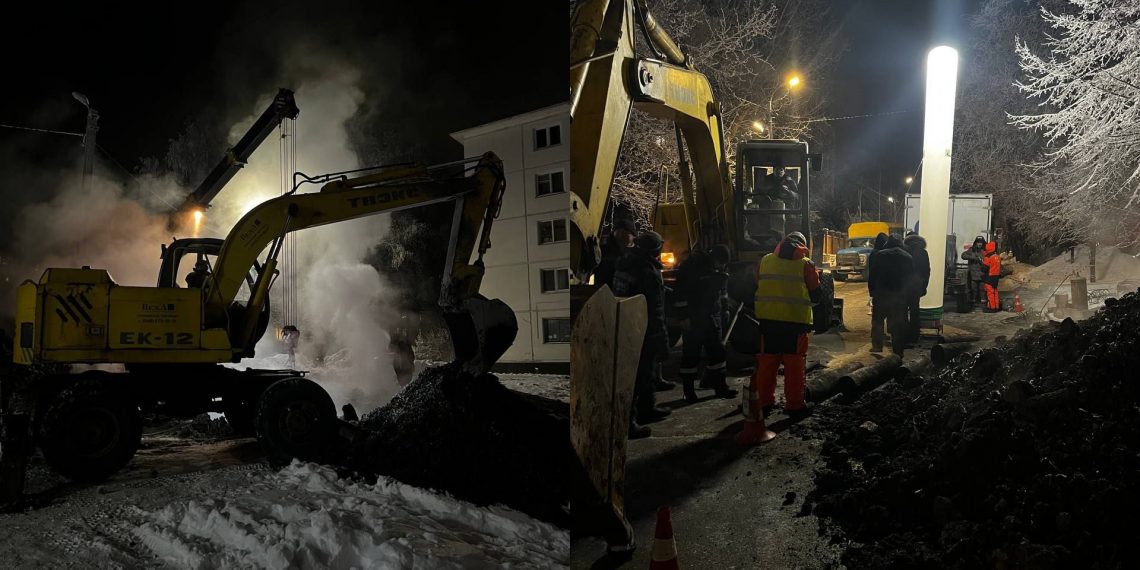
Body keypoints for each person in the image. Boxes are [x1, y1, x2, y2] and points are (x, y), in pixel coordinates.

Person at [736, 231, 821, 445]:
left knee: (768, 361)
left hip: (768, 323)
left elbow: (757, 283)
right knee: (794, 364)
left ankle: (763, 403)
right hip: (795, 323)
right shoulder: (806, 264)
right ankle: (794, 406)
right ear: (802, 246)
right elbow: (816, 293)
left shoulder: (765, 260)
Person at [611, 231, 672, 439]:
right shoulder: (648, 272)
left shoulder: (625, 263)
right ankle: (629, 423)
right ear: (655, 250)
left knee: (642, 374)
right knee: (639, 376)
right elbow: (655, 310)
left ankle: (646, 410)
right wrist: (662, 339)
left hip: (625, 322)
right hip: (642, 327)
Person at [673, 244, 738, 403]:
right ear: (714, 258)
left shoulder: (717, 270)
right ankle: (688, 392)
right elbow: (679, 294)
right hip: (694, 319)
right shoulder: (692, 267)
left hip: (711, 317)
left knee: (717, 353)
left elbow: (721, 292)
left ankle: (720, 387)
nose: (722, 267)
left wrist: (725, 309)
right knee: (691, 356)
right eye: (720, 263)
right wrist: (683, 317)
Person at [868, 235, 913, 356]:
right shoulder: (907, 257)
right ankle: (898, 350)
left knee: (878, 320)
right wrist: (908, 295)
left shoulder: (880, 255)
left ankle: (877, 346)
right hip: (899, 295)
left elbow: (873, 274)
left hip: (881, 293)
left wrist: (871, 291)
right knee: (898, 323)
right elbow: (910, 278)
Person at [902, 230, 931, 345]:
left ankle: (903, 335)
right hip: (917, 286)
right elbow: (927, 271)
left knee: (903, 311)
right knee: (915, 311)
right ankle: (914, 336)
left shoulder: (903, 251)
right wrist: (924, 286)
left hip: (905, 287)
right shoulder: (923, 252)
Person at [594, 217, 637, 289]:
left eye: (625, 232)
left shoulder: (635, 254)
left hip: (621, 293)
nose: (621, 234)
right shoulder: (603, 250)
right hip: (604, 290)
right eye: (619, 231)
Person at [961, 236, 987, 307]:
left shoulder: (985, 250)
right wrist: (973, 257)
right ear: (976, 243)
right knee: (973, 289)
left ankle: (983, 303)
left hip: (982, 274)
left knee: (982, 289)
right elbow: (963, 255)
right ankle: (972, 302)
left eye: (981, 243)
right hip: (973, 274)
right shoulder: (971, 250)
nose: (980, 244)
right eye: (978, 242)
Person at [983, 240, 1002, 312]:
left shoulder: (988, 257)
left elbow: (984, 268)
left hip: (990, 276)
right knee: (995, 291)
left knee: (990, 292)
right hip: (996, 277)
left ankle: (992, 308)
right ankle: (996, 306)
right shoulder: (997, 256)